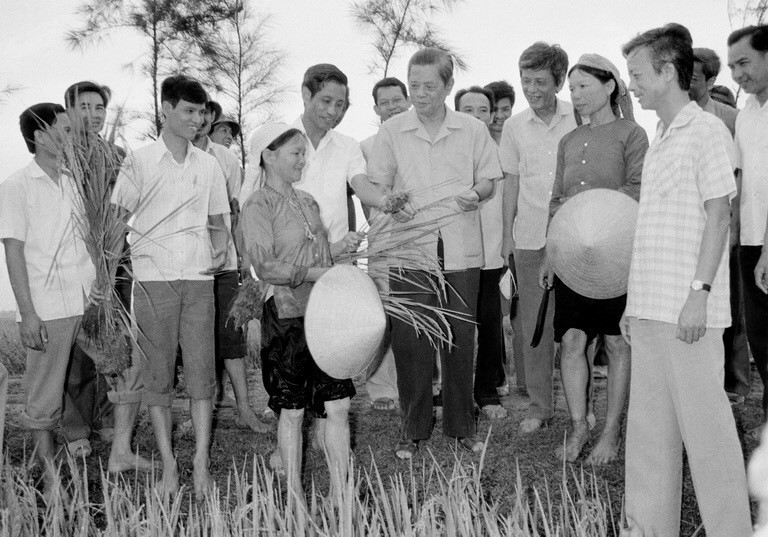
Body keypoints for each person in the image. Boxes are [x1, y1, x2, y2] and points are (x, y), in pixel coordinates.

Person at [620, 25, 751, 536]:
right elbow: (652, 231)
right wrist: (633, 304)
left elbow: (720, 216)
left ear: (667, 72)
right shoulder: (661, 138)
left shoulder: (707, 132)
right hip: (651, 310)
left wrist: (698, 296)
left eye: (636, 74)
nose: (632, 84)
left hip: (690, 313)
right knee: (650, 435)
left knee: (709, 437)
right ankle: (648, 529)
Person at [0, 103, 147, 496]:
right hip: (46, 309)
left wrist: (100, 281)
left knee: (129, 369)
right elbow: (13, 252)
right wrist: (28, 314)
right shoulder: (16, 186)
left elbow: (88, 238)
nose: (71, 136)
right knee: (44, 397)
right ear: (39, 137)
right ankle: (49, 476)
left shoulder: (74, 180)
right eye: (63, 130)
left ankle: (120, 451)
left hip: (89, 302)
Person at [367, 48, 501, 459]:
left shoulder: (472, 129)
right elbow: (374, 185)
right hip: (411, 249)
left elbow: (489, 180)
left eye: (429, 86)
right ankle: (413, 428)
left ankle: (462, 427)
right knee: (411, 340)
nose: (420, 93)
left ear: (448, 86)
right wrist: (391, 201)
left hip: (461, 246)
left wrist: (475, 194)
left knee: (460, 337)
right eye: (414, 85)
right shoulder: (392, 131)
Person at [111, 75, 231, 497]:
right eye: (188, 111)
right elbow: (115, 221)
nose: (197, 120)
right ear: (165, 109)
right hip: (152, 282)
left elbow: (218, 219)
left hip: (199, 281)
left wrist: (219, 247)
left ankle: (200, 464)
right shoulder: (139, 162)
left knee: (202, 376)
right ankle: (168, 467)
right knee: (157, 377)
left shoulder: (210, 164)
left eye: (202, 113)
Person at [238, 122, 356, 508]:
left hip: (324, 312)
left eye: (304, 153)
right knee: (292, 411)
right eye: (295, 153)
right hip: (287, 316)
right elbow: (265, 267)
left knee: (338, 404)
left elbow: (318, 256)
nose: (303, 160)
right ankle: (294, 501)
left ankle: (342, 496)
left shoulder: (307, 202)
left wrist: (339, 248)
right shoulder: (257, 205)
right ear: (268, 156)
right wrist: (311, 273)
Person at [539, 54, 647, 463]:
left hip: (618, 256)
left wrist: (598, 209)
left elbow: (639, 188)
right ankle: (579, 425)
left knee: (617, 342)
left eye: (584, 86)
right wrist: (553, 252)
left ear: (610, 86)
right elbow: (555, 202)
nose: (576, 95)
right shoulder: (569, 141)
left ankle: (611, 431)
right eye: (572, 89)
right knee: (571, 339)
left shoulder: (631, 133)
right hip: (572, 256)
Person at [499, 42, 578, 433]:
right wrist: (506, 236)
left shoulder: (579, 117)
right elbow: (511, 183)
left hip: (578, 236)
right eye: (526, 81)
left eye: (541, 81)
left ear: (559, 81)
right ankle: (538, 406)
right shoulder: (514, 128)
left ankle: (580, 405)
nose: (532, 89)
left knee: (578, 324)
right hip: (529, 237)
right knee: (534, 324)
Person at [192, 99, 266, 433]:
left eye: (207, 113)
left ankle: (245, 410)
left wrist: (244, 261)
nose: (202, 119)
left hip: (224, 264)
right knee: (194, 341)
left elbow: (236, 214)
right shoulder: (171, 156)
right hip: (186, 266)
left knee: (232, 338)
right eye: (197, 112)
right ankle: (198, 416)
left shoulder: (225, 160)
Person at [689, 47, 750, 406]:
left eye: (694, 77)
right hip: (689, 230)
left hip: (727, 230)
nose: (686, 82)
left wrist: (733, 230)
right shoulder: (673, 119)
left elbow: (742, 178)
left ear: (711, 81)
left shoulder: (732, 119)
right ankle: (702, 379)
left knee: (731, 309)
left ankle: (736, 384)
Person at [61, 81, 116, 458]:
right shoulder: (62, 154)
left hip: (111, 258)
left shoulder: (115, 154)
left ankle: (108, 416)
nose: (94, 114)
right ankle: (76, 425)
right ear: (68, 110)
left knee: (110, 341)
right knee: (76, 349)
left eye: (99, 108)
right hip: (71, 260)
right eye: (85, 106)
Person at [455, 85, 508, 420]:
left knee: (489, 324)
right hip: (454, 256)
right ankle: (454, 392)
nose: (476, 117)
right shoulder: (445, 150)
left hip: (490, 253)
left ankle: (487, 392)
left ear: (492, 115)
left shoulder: (499, 151)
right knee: (455, 326)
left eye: (482, 110)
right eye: (468, 110)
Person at [359, 77, 410, 412]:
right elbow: (366, 197)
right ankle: (380, 389)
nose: (392, 107)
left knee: (416, 312)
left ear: (407, 101)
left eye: (397, 100)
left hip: (419, 240)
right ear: (376, 108)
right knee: (383, 318)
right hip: (382, 242)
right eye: (385, 102)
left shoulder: (418, 139)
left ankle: (418, 383)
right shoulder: (365, 146)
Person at [729, 24, 768, 438]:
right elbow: (742, 183)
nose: (737, 74)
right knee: (760, 338)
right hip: (752, 244)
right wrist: (735, 236)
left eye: (744, 62)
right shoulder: (747, 117)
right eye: (732, 67)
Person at [485, 80, 525, 397]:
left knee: (516, 310)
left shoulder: (518, 138)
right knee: (494, 313)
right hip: (486, 237)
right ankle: (498, 376)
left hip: (517, 234)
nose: (499, 115)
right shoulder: (479, 142)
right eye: (494, 109)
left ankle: (522, 377)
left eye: (505, 108)